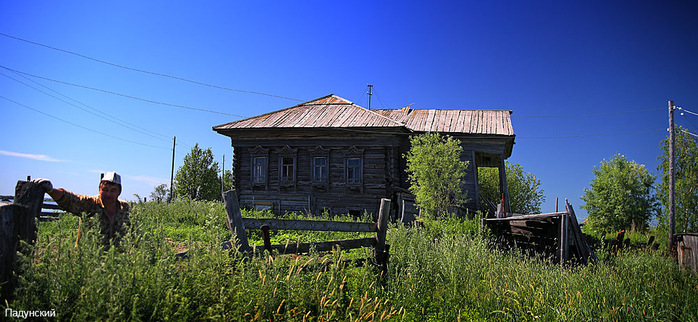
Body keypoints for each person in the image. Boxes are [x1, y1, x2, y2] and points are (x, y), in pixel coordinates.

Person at [33, 172, 130, 244]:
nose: (108, 194)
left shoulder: (124, 208)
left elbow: (133, 232)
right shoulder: (90, 204)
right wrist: (51, 190)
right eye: (105, 190)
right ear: (99, 190)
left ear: (119, 192)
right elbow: (70, 199)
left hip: (116, 261)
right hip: (89, 259)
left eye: (113, 190)